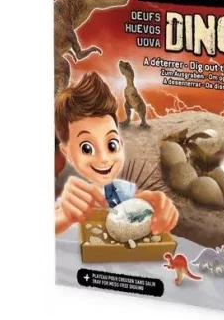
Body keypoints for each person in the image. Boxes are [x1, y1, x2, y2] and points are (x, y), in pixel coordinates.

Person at [54, 72, 178, 235]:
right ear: (67, 153)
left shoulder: (120, 190)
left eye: (111, 145)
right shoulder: (72, 198)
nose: (104, 159)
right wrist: (64, 216)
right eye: (87, 148)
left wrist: (160, 207)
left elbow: (142, 201)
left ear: (121, 144)